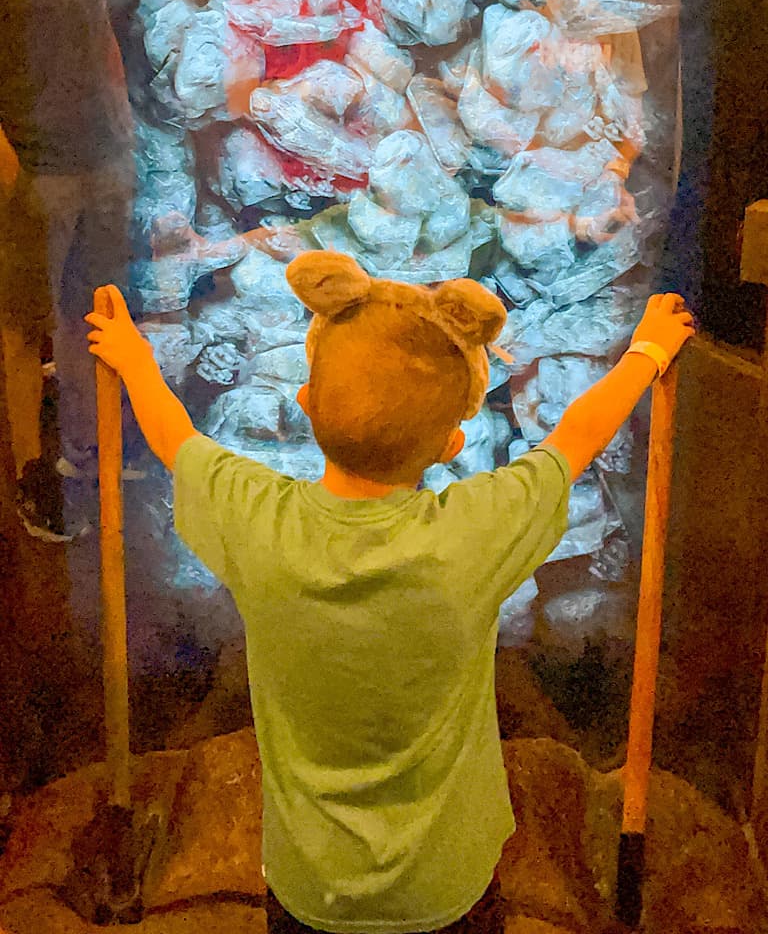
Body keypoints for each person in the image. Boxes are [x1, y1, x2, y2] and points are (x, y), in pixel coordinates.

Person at [85, 251, 694, 933]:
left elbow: (177, 439)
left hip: (310, 890)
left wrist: (135, 359)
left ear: (306, 400)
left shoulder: (255, 519)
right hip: (448, 887)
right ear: (453, 443)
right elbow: (575, 437)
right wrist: (648, 350)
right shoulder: (477, 532)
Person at [0, 0, 135, 541]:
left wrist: (121, 115)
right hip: (38, 164)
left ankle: (88, 448)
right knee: (25, 317)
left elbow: (98, 22)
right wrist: (10, 169)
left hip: (99, 156)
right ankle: (33, 466)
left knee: (91, 309)